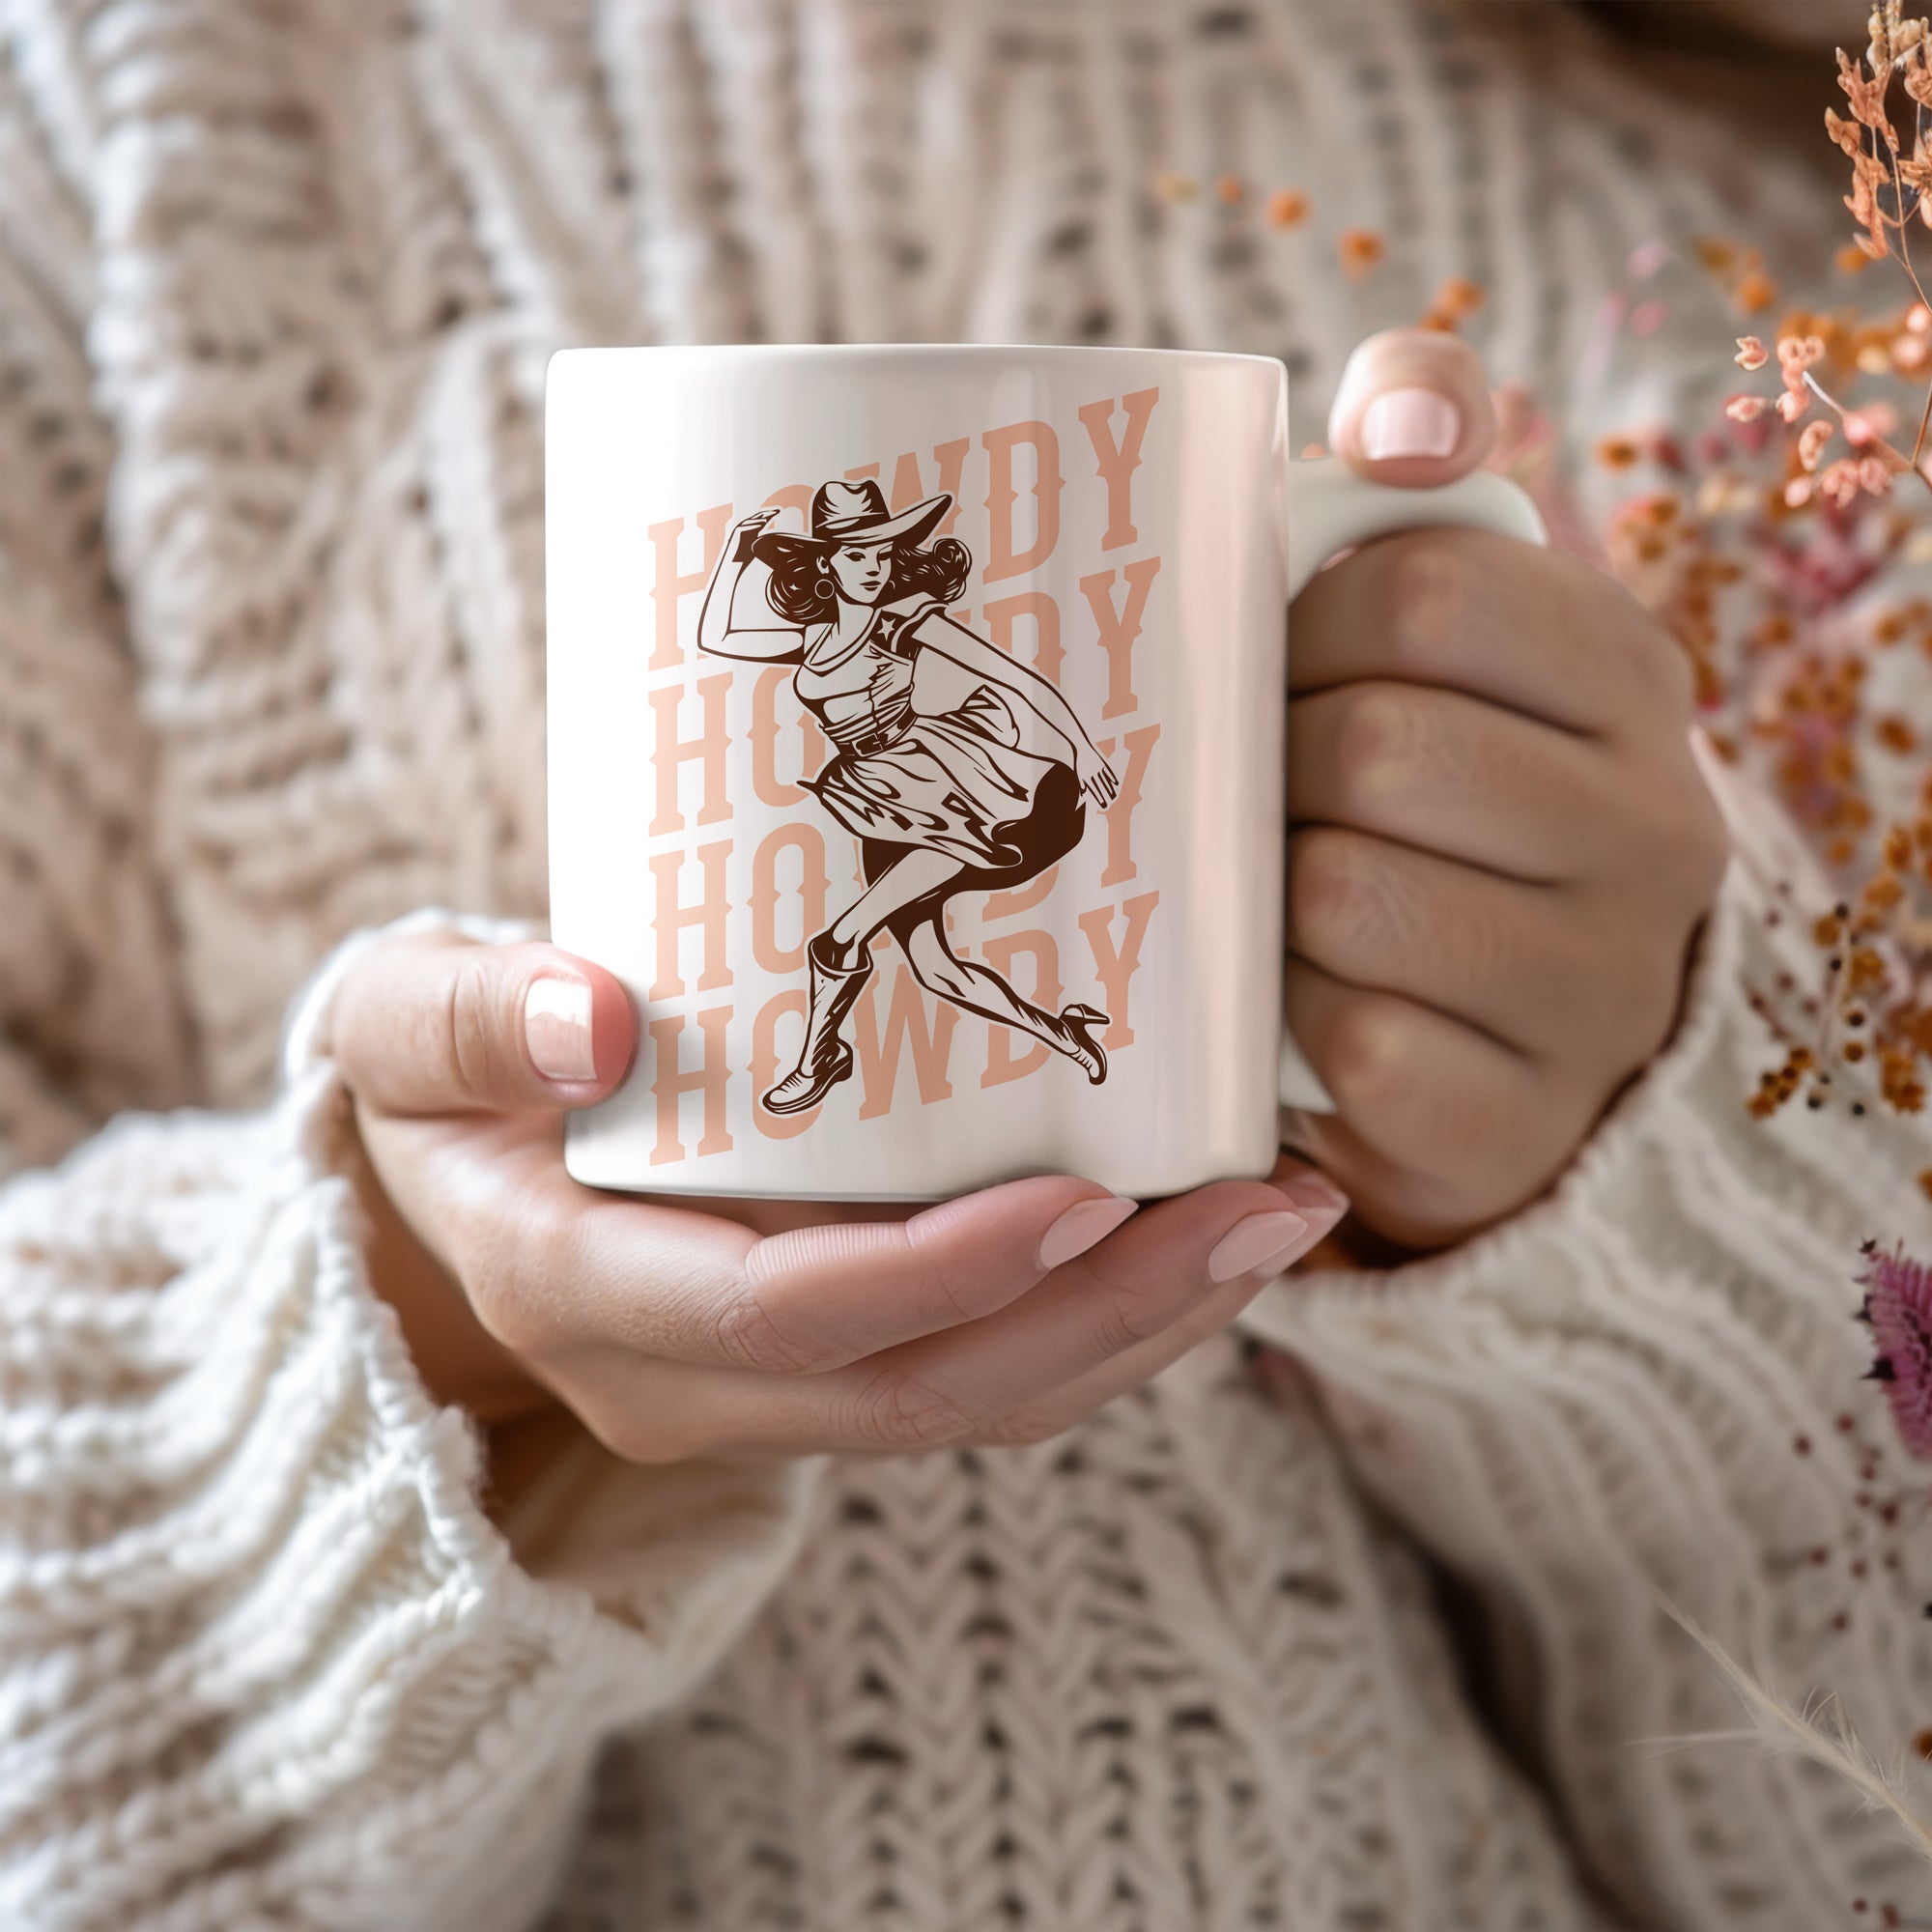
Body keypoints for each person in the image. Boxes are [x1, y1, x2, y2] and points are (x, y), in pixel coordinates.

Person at [0, 2, 1921, 1928]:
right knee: (890, 936)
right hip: (934, 812)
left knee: (864, 927)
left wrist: (1649, 1212)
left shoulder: (1815, 224)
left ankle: (864, 1045)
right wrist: (415, 1331)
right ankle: (1014, 1021)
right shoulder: (112, 122)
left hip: (1008, 810)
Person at [696, 480, 1118, 1113]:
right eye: (855, 554)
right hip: (878, 805)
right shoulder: (810, 638)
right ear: (826, 563)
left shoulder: (902, 621)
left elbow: (1015, 678)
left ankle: (817, 1062)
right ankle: (1065, 1035)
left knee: (840, 939)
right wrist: (736, 553)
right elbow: (719, 637)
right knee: (938, 973)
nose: (872, 567)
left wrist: (1081, 747)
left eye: (882, 553)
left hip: (945, 793)